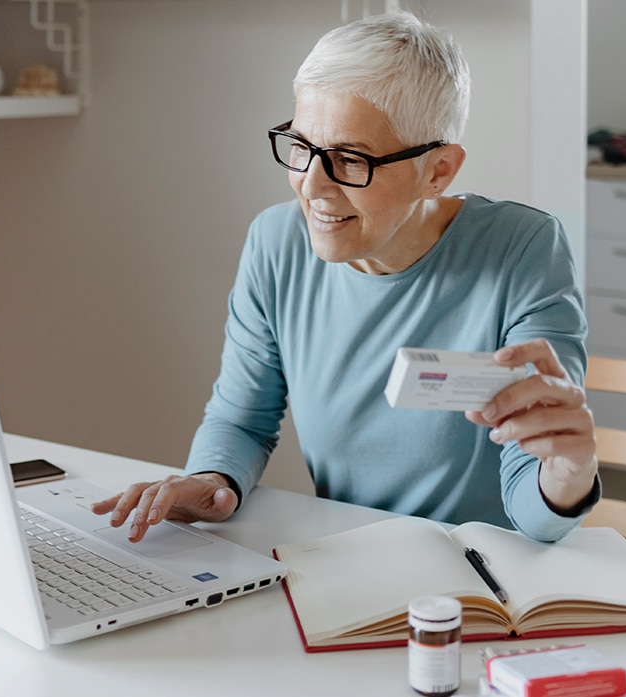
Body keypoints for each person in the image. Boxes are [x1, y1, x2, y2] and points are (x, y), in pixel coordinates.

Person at [93, 11, 598, 544]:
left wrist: (567, 474)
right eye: (301, 146)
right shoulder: (276, 243)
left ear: (439, 171)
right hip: (344, 564)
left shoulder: (523, 248)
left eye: (350, 159)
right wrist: (211, 482)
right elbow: (241, 420)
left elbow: (534, 507)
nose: (312, 186)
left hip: (482, 578)